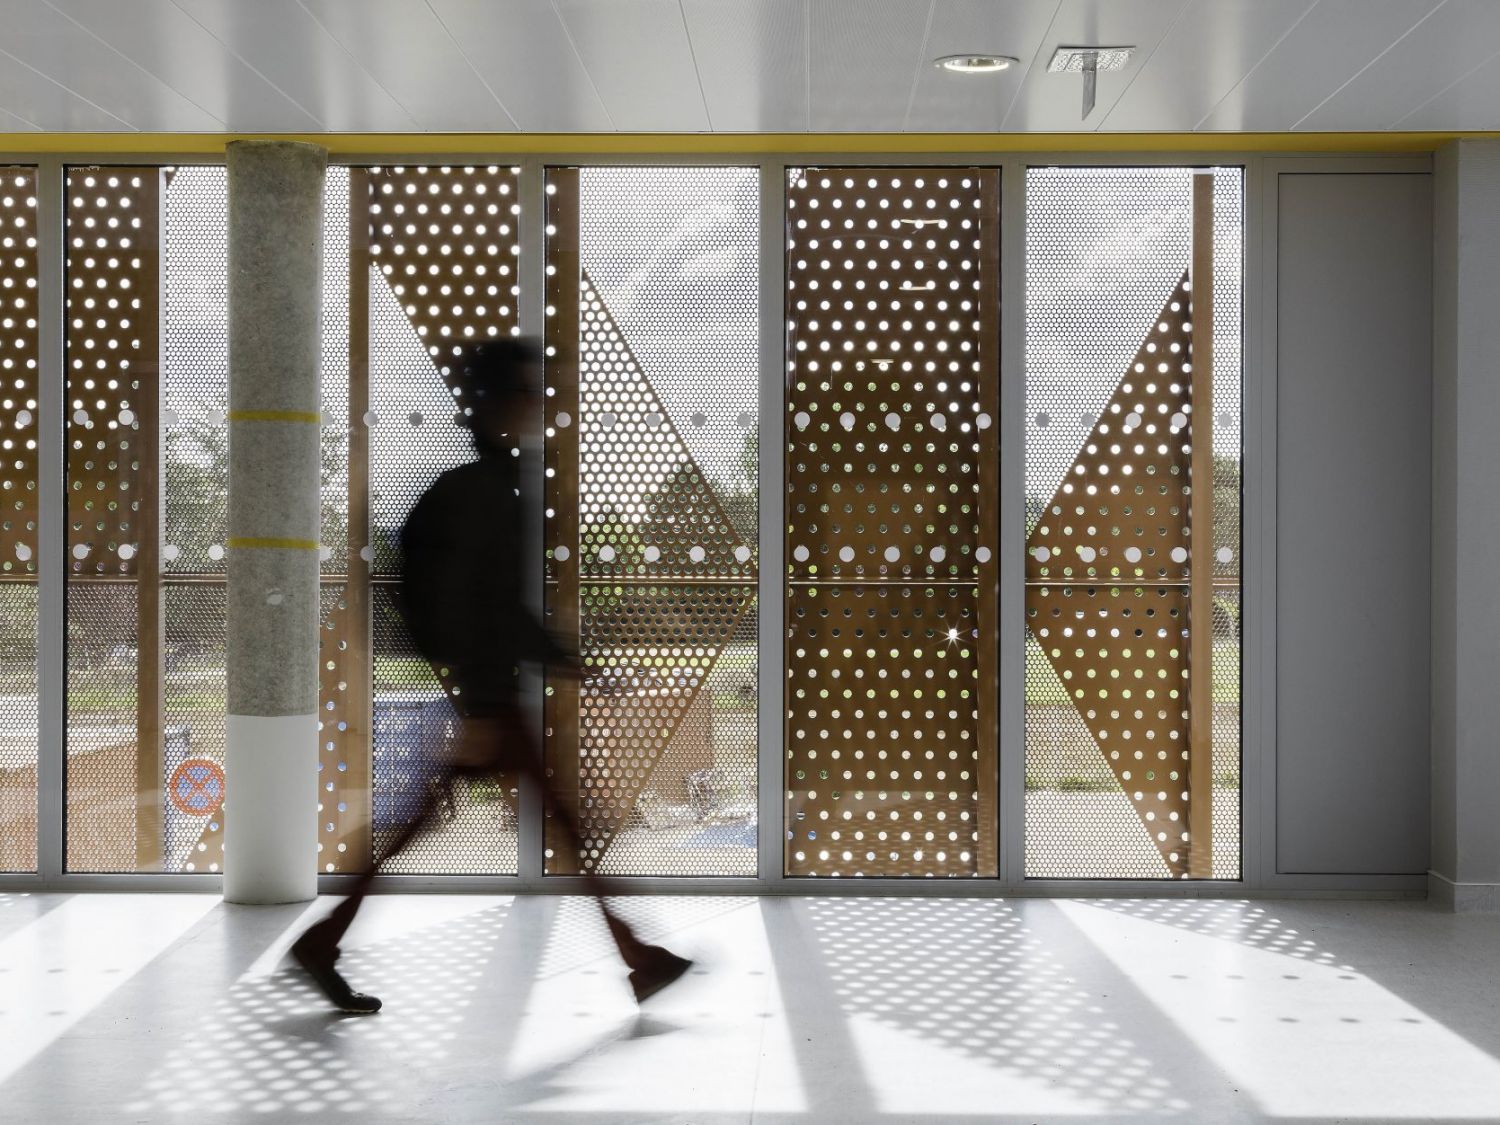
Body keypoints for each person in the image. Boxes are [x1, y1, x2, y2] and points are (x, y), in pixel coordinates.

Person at [291, 338, 692, 1014]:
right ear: (500, 402)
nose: (539, 404)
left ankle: (323, 940)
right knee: (555, 825)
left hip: (492, 697)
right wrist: (486, 700)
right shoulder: (484, 493)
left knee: (467, 823)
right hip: (492, 701)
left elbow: (489, 608)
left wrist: (562, 664)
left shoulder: (488, 486)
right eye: (529, 392)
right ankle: (637, 956)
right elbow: (479, 609)